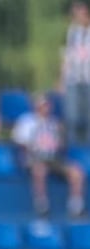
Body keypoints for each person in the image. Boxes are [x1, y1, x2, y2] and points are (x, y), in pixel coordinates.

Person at [11, 92, 86, 218]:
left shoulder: (54, 123)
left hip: (54, 159)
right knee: (40, 170)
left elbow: (62, 146)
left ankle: (76, 206)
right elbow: (20, 143)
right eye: (42, 105)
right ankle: (42, 205)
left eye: (47, 105)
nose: (45, 108)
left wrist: (60, 135)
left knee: (76, 172)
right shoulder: (26, 121)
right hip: (34, 158)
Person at [61, 1, 90, 144]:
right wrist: (61, 80)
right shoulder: (72, 31)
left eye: (78, 12)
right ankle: (74, 150)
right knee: (72, 117)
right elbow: (67, 56)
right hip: (73, 80)